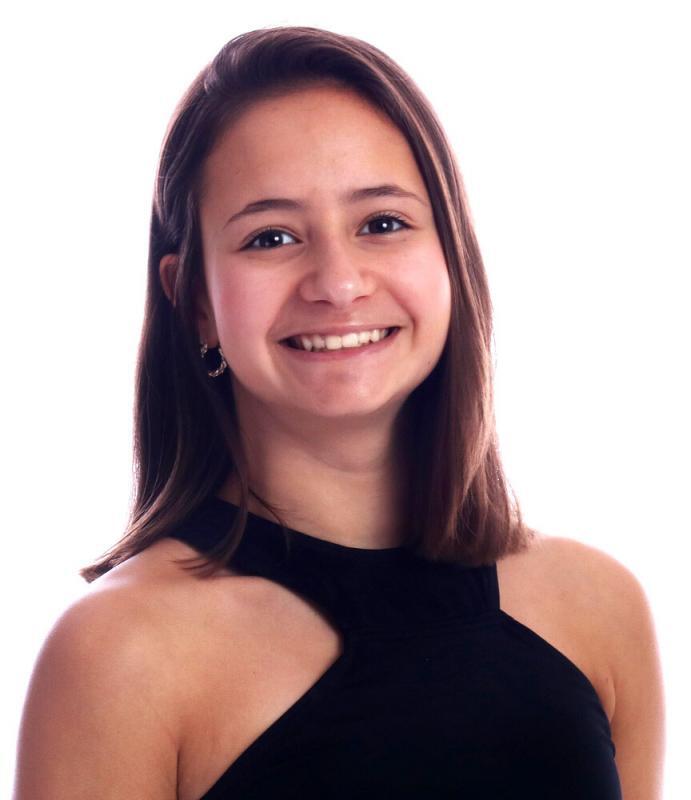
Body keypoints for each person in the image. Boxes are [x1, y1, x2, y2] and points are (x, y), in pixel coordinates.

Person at [13, 25, 664, 800]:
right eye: (271, 237)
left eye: (382, 223)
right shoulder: (121, 654)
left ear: (450, 255)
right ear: (195, 301)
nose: (338, 282)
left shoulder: (596, 606)